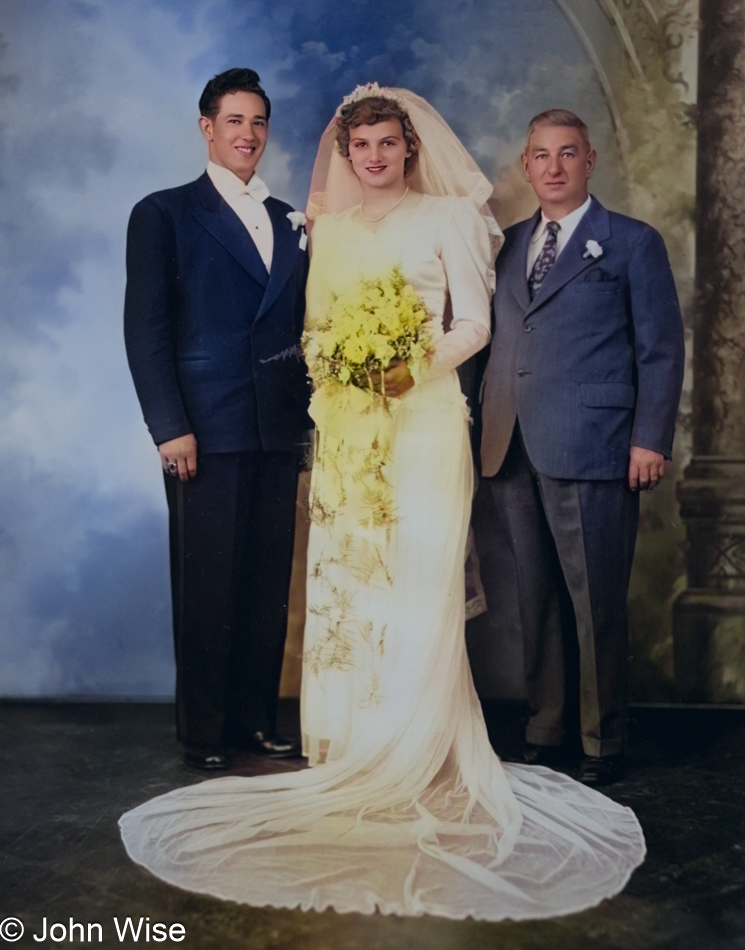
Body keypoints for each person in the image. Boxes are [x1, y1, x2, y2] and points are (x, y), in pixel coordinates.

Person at [120, 87, 645, 921]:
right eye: (358, 144)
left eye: (385, 144)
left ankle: (422, 751)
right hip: (346, 429)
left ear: (408, 149)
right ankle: (354, 746)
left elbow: (474, 323)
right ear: (346, 151)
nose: (371, 156)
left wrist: (412, 365)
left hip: (426, 423)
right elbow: (310, 328)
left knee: (416, 584)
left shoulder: (445, 218)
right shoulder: (321, 227)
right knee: (350, 589)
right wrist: (344, 365)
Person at [477, 109, 685, 786]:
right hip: (511, 445)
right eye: (541, 155)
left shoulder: (628, 242)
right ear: (525, 165)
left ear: (589, 160)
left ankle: (601, 739)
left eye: (568, 154)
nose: (554, 167)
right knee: (532, 597)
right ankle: (546, 726)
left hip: (595, 444)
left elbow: (660, 350)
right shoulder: (505, 245)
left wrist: (648, 438)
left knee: (594, 600)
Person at [124, 68, 311, 771]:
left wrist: (306, 427)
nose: (248, 135)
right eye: (235, 121)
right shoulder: (164, 213)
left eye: (258, 123)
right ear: (207, 128)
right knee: (206, 586)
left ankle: (254, 723)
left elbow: (294, 327)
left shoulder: (291, 219)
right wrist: (169, 427)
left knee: (265, 588)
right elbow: (145, 332)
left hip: (275, 428)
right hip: (203, 428)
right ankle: (203, 732)